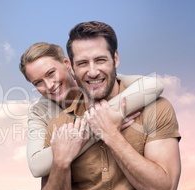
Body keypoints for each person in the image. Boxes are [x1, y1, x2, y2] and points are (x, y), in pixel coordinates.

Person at [38, 21, 181, 190]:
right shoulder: (59, 125)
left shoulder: (156, 109)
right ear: (71, 68)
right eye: (82, 63)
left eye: (100, 60)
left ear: (116, 59)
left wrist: (111, 135)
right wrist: (61, 163)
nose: (93, 71)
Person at [19, 42, 164, 178]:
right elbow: (37, 167)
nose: (49, 85)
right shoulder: (39, 111)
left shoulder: (93, 79)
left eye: (51, 73)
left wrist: (67, 146)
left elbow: (153, 85)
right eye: (38, 82)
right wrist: (100, 129)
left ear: (66, 63)